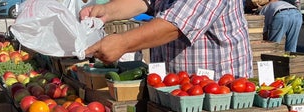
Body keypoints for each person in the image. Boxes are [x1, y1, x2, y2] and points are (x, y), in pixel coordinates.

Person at [81, 0, 253, 78]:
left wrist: (122, 44)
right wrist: (106, 11)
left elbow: (173, 25)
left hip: (220, 91)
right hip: (177, 89)